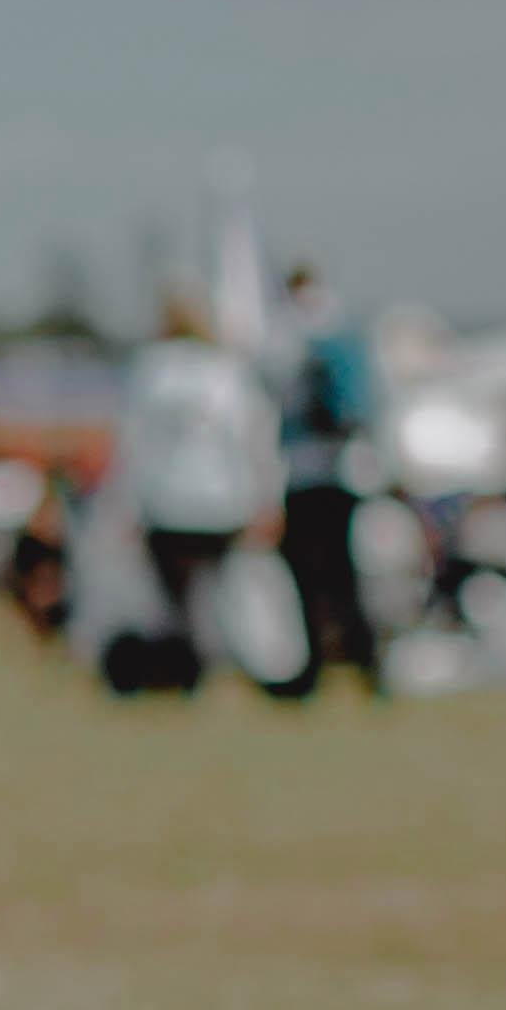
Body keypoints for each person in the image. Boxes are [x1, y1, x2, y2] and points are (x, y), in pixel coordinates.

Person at [116, 289, 285, 693]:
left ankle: (187, 673)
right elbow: (254, 440)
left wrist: (130, 506)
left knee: (177, 601)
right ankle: (241, 669)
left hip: (167, 504)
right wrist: (266, 499)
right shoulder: (228, 371)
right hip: (223, 502)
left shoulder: (150, 370)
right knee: (229, 596)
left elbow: (135, 446)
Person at [270, 263, 388, 693]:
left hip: (312, 473)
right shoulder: (345, 337)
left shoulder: (306, 340)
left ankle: (327, 662)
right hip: (341, 474)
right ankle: (361, 661)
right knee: (340, 572)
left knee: (316, 573)